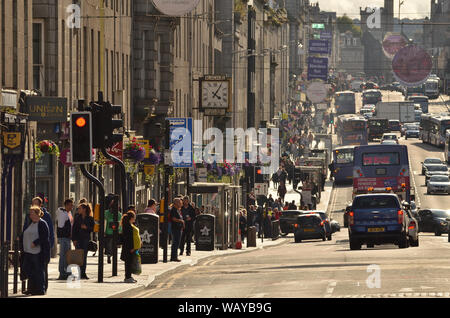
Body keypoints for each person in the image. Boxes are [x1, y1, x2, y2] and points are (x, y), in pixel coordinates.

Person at [21, 206, 50, 295]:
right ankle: (31, 289)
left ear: (38, 214)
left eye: (33, 213)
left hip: (38, 252)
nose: (31, 215)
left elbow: (44, 237)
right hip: (28, 251)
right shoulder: (30, 223)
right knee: (30, 271)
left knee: (38, 271)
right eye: (30, 214)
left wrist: (35, 242)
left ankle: (40, 289)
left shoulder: (42, 223)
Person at [27, 196, 54, 291]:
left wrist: (49, 246)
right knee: (32, 269)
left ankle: (41, 288)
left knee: (41, 269)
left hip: (41, 250)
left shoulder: (44, 219)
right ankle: (32, 288)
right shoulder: (30, 219)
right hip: (31, 249)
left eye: (36, 204)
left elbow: (46, 235)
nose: (34, 205)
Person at [72, 203, 95, 280]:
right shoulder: (77, 218)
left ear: (84, 209)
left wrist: (86, 227)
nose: (78, 210)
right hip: (78, 239)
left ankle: (83, 273)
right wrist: (74, 239)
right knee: (78, 257)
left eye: (80, 208)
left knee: (84, 257)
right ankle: (77, 273)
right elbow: (74, 229)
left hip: (85, 239)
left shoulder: (90, 218)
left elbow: (92, 228)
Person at [56, 199, 74, 280]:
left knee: (67, 256)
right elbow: (60, 226)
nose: (72, 207)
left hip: (67, 237)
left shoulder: (69, 213)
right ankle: (62, 273)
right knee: (63, 256)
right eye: (70, 205)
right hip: (64, 237)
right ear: (66, 205)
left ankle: (67, 272)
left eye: (72, 205)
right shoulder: (62, 213)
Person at [120, 211, 139, 283]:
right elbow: (129, 238)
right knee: (128, 263)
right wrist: (132, 248)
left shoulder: (128, 225)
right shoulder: (128, 226)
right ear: (131, 218)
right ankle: (128, 277)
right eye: (134, 217)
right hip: (129, 248)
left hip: (128, 247)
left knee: (129, 262)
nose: (135, 219)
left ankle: (129, 276)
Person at [105, 196, 122, 264]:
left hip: (110, 231)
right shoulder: (118, 214)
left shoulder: (107, 213)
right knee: (111, 244)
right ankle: (110, 255)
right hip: (112, 231)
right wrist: (119, 231)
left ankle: (109, 255)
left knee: (110, 244)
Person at [169, 198, 184, 262]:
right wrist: (181, 221)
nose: (181, 204)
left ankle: (174, 256)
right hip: (175, 229)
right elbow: (173, 218)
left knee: (177, 243)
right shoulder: (174, 210)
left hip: (178, 229)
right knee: (175, 243)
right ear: (176, 203)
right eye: (180, 202)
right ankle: (174, 257)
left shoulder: (178, 210)